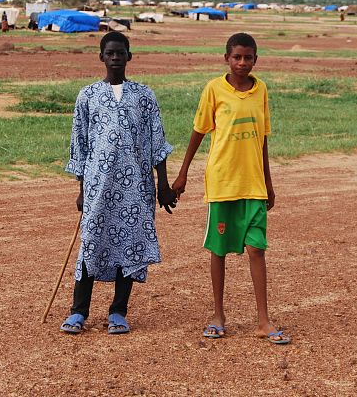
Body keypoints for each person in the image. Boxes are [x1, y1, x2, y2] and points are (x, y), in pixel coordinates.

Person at [172, 32, 291, 345]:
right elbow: (199, 132)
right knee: (219, 250)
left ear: (255, 59)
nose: (242, 63)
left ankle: (263, 321)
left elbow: (263, 139)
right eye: (236, 57)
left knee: (256, 249)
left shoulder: (261, 89)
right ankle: (218, 315)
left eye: (248, 57)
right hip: (223, 181)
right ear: (226, 58)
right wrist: (183, 174)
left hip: (253, 184)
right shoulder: (214, 89)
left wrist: (269, 181)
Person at [60, 31, 177, 335]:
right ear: (101, 57)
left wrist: (162, 184)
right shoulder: (87, 96)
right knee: (90, 242)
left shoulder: (144, 95)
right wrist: (82, 189)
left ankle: (118, 312)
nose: (115, 57)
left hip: (136, 187)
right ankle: (78, 311)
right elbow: (80, 144)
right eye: (109, 53)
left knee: (131, 244)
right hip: (98, 185)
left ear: (129, 56)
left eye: (120, 52)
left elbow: (156, 142)